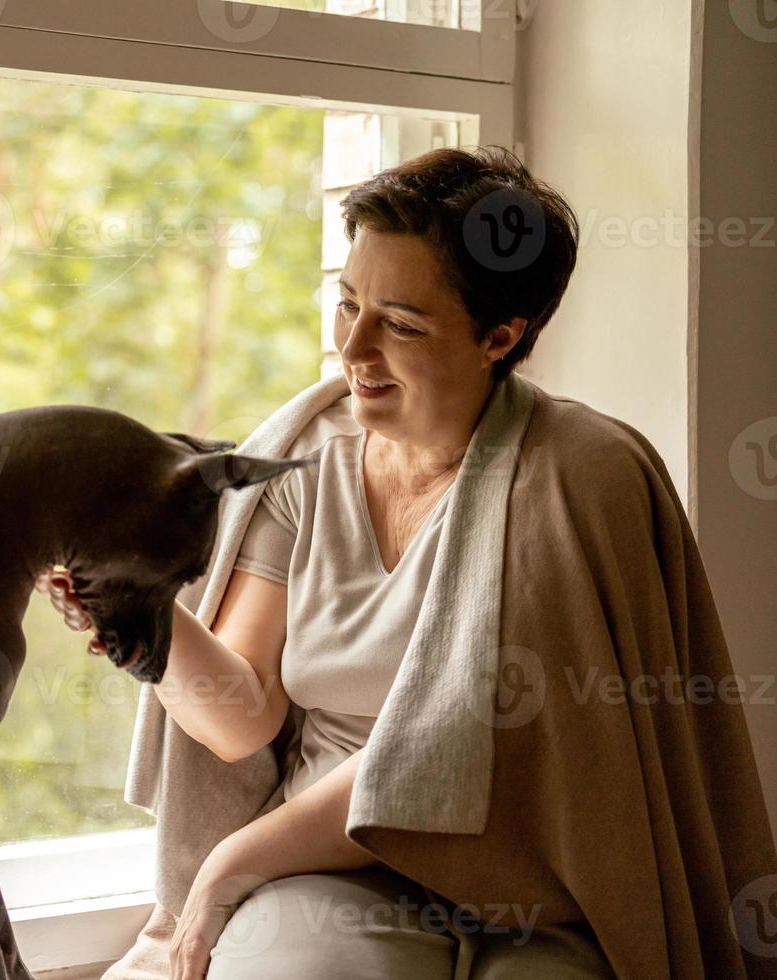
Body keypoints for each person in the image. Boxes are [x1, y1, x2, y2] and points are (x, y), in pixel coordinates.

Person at [40, 145, 619, 978]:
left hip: (529, 869)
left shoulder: (564, 482)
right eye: (347, 304)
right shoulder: (307, 457)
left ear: (500, 336)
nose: (354, 347)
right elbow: (243, 714)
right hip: (335, 865)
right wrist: (143, 614)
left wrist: (228, 867)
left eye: (402, 324)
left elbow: (439, 748)